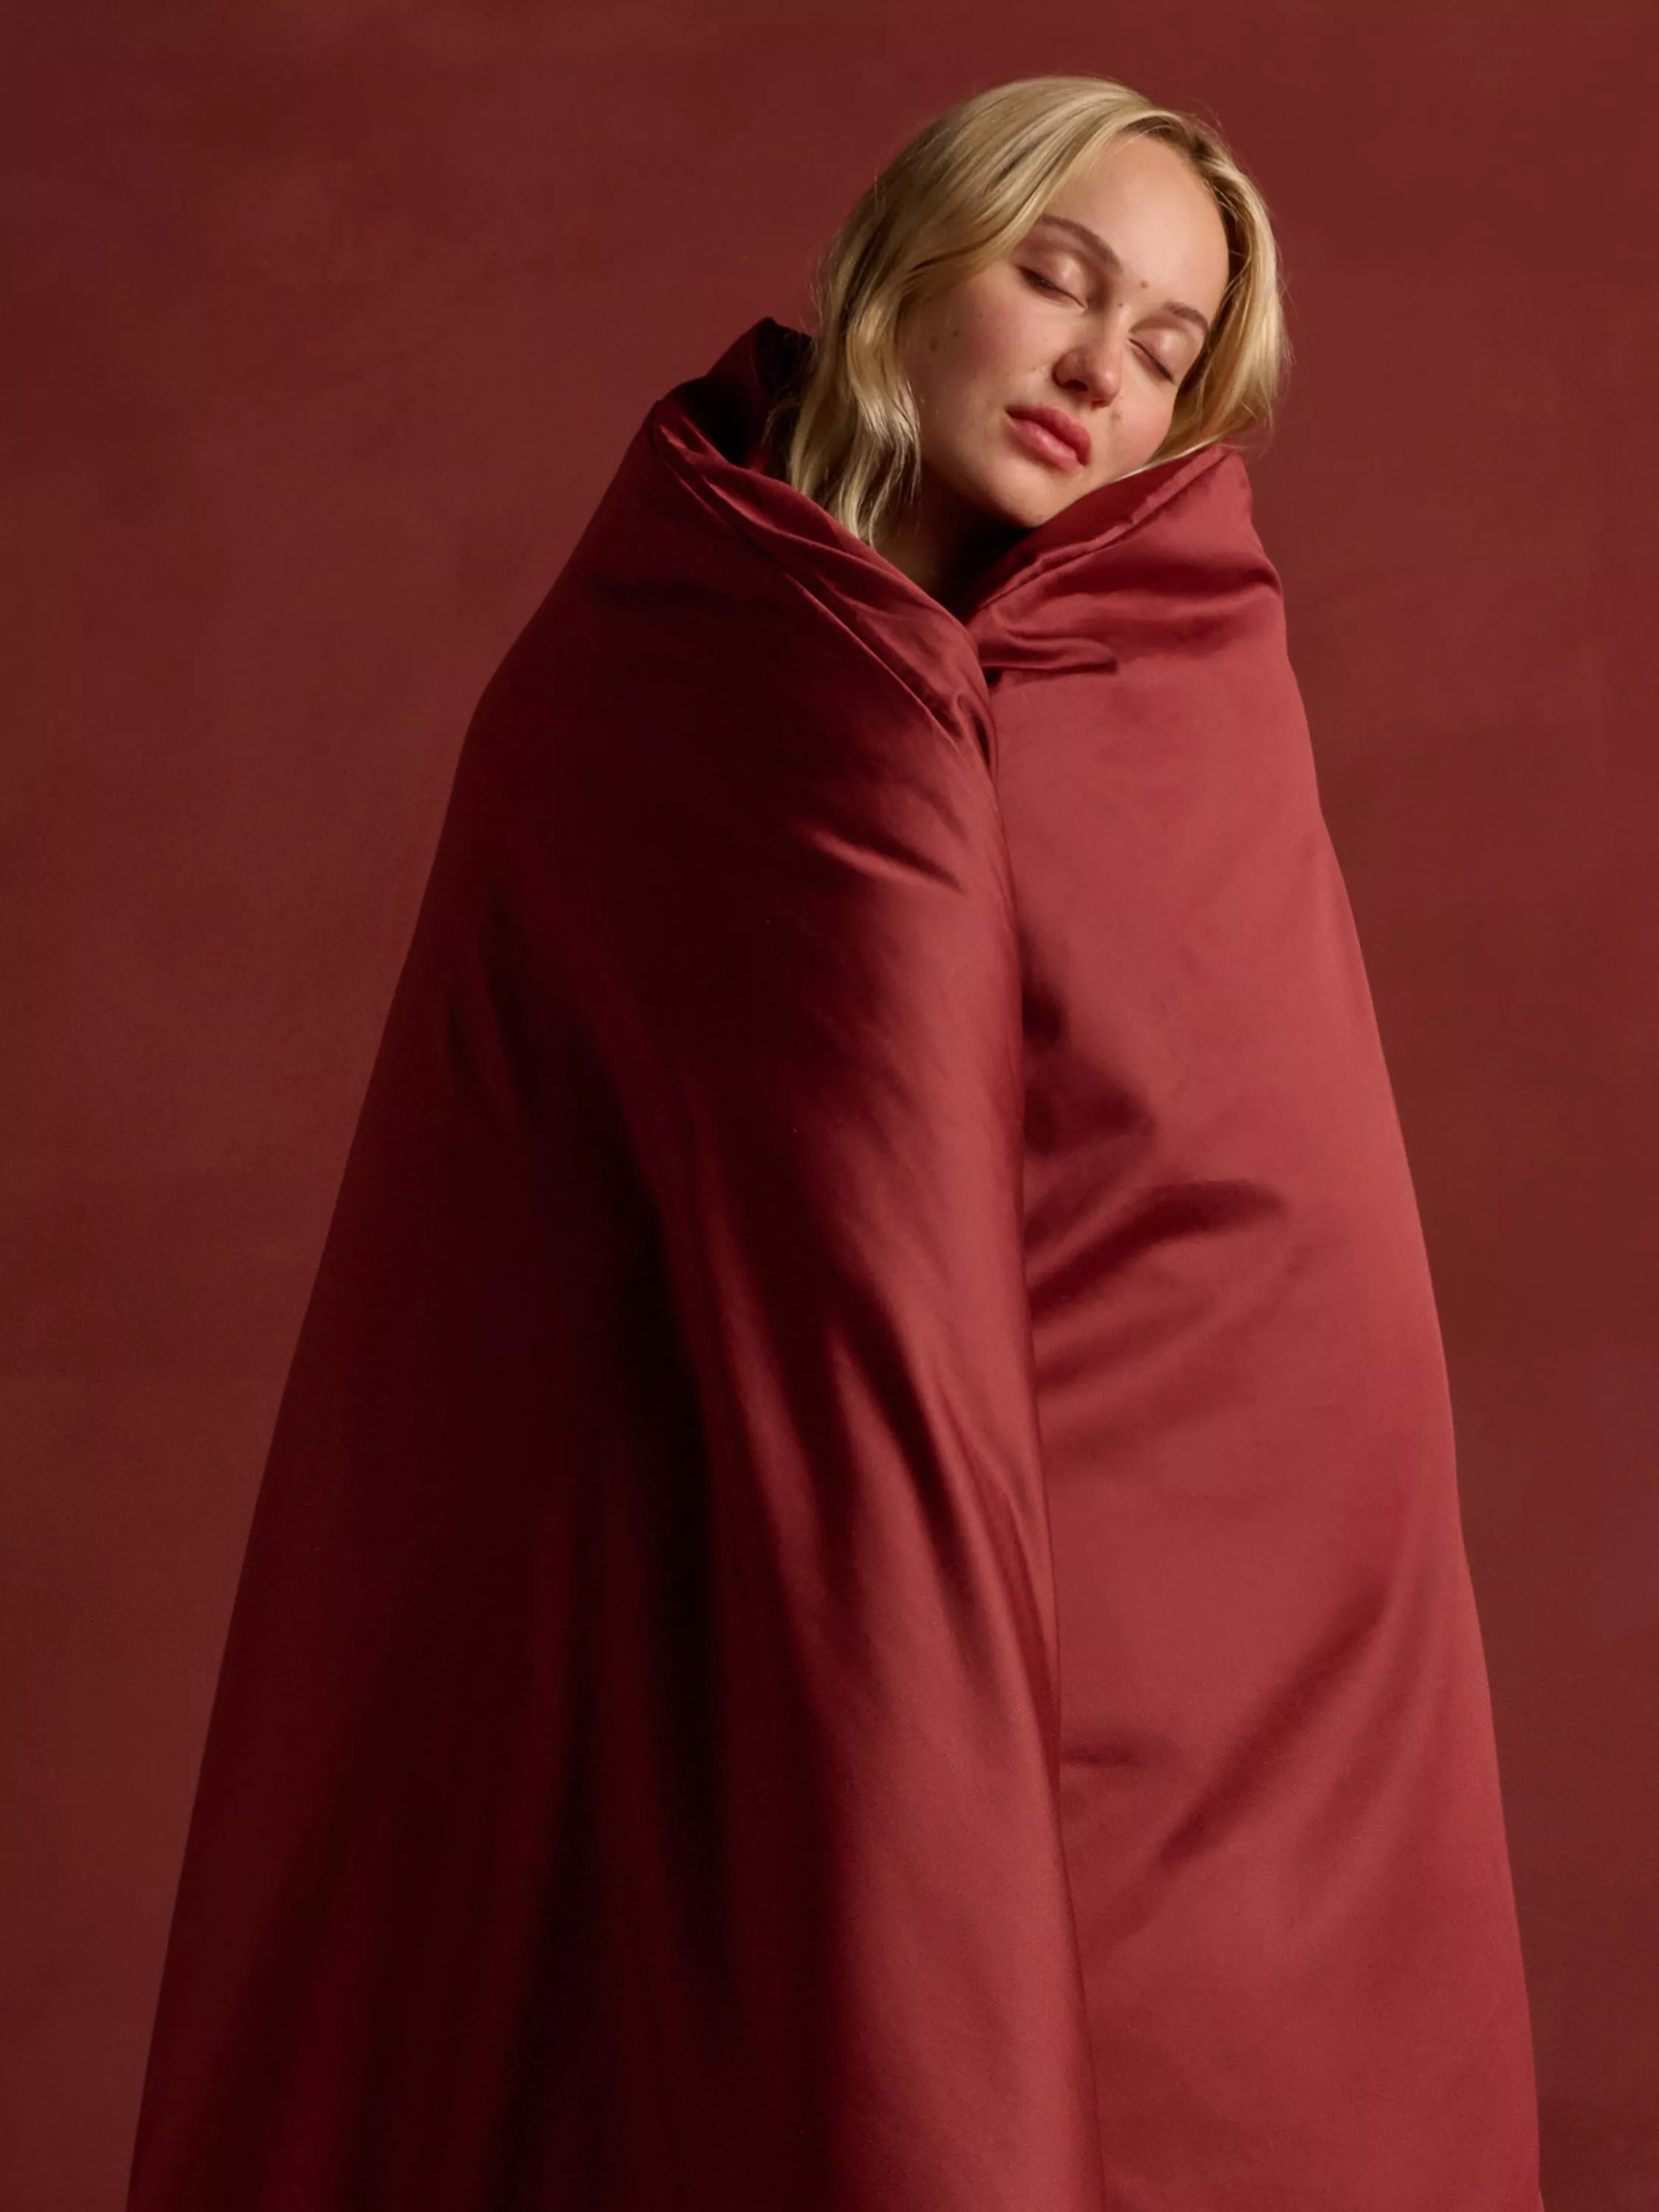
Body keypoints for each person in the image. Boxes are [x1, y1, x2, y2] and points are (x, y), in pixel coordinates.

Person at [126, 73, 1545, 2212]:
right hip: (678, 1602)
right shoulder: (666, 655)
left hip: (1180, 1658)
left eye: (1167, 346)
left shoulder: (1191, 681)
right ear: (908, 266)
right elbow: (521, 1231)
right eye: (1057, 278)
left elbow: (1276, 1222)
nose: (1101, 368)